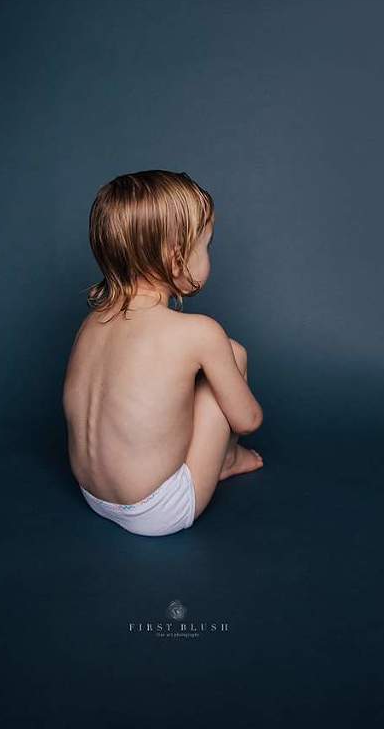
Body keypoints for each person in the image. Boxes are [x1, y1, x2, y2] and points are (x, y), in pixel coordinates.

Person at [62, 169, 264, 537]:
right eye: (206, 245)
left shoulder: (91, 323)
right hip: (156, 511)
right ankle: (227, 458)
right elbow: (249, 420)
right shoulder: (199, 332)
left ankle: (210, 458)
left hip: (91, 493)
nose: (209, 254)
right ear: (176, 261)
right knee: (231, 354)